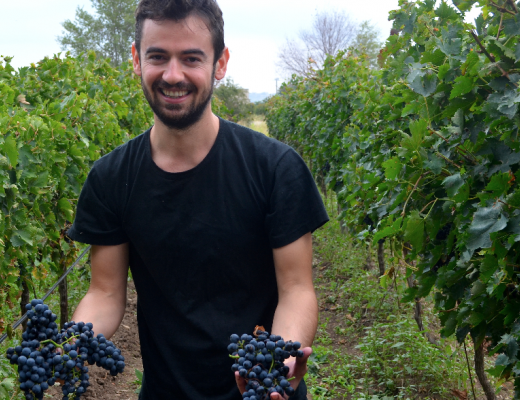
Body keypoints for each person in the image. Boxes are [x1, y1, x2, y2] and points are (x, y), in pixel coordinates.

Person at [66, 0, 329, 399]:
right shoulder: (111, 179)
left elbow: (296, 289)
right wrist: (72, 345)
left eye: (191, 58)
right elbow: (104, 293)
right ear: (137, 60)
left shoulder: (276, 169)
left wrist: (280, 361)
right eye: (158, 56)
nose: (173, 75)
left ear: (220, 64)